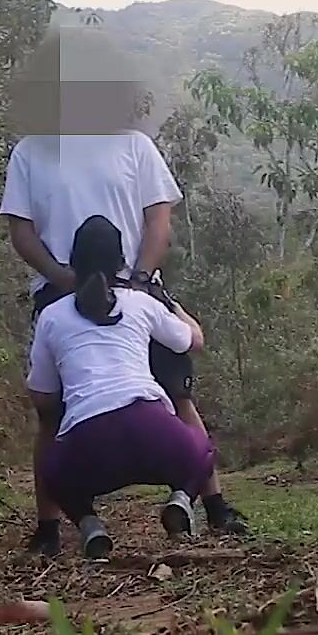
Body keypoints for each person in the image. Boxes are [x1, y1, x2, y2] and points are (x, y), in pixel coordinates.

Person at [0, 125, 247, 557]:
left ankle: (214, 506)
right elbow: (22, 232)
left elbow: (159, 219)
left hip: (135, 288)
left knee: (178, 395)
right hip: (62, 291)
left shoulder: (133, 144)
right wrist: (62, 278)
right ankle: (48, 528)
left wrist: (140, 280)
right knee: (52, 416)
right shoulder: (31, 152)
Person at [28, 216, 223, 557]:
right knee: (202, 450)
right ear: (121, 263)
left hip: (88, 441)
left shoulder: (52, 316)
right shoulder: (140, 303)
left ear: (73, 262)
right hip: (151, 427)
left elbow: (42, 397)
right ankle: (180, 499)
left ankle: (89, 524)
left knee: (52, 473)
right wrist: (174, 306)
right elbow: (194, 341)